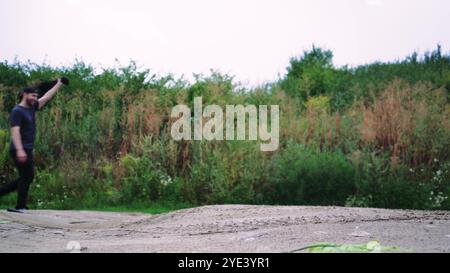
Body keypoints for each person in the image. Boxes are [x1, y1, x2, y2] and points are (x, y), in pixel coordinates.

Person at [0, 78, 67, 213]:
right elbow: (15, 131)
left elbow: (47, 97)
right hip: (19, 149)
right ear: (24, 94)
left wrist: (59, 84)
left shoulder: (32, 107)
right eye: (33, 96)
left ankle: (16, 202)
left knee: (27, 176)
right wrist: (20, 150)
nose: (35, 98)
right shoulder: (17, 111)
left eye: (36, 96)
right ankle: (20, 206)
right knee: (27, 176)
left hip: (27, 149)